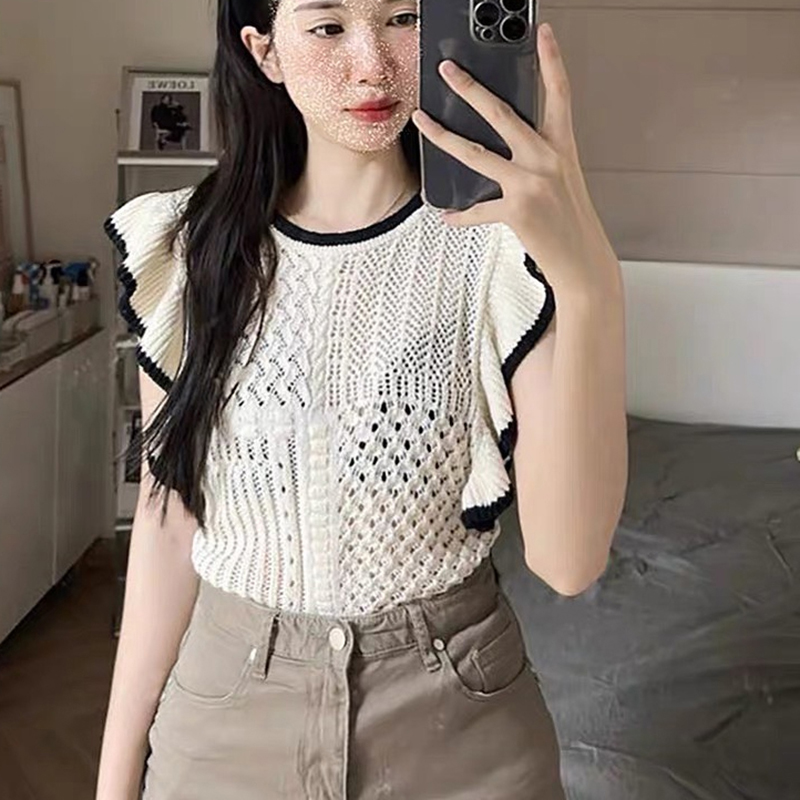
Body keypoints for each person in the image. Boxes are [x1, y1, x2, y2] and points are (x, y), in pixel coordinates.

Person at [96, 0, 628, 798]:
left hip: (460, 725)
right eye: (328, 26)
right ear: (265, 51)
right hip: (224, 721)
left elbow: (569, 562)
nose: (373, 66)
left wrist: (590, 285)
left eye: (404, 18)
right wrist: (114, 778)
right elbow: (168, 526)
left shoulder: (498, 251)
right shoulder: (186, 249)